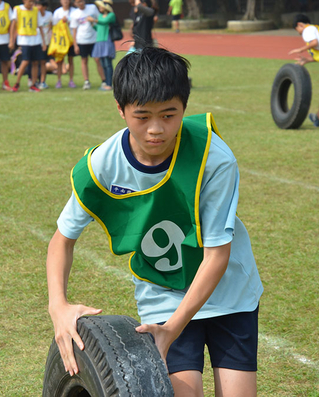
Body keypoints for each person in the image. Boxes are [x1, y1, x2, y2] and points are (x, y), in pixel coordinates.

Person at [46, 47, 263, 397]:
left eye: (169, 115)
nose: (156, 130)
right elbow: (62, 239)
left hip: (229, 292)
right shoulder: (102, 166)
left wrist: (173, 328)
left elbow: (217, 257)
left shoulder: (214, 157)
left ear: (184, 109)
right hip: (163, 294)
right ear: (120, 109)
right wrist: (58, 304)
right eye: (142, 116)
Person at [10, 0, 47, 92]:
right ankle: (17, 83)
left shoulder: (35, 11)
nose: (31, 4)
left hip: (35, 39)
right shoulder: (18, 9)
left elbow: (40, 26)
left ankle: (33, 84)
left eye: (32, 2)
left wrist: (43, 41)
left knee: (35, 62)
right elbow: (13, 25)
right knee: (25, 61)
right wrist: (12, 40)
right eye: (29, 1)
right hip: (24, 40)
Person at [70, 0, 101, 90]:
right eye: (78, 2)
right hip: (82, 40)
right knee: (84, 60)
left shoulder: (92, 8)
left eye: (82, 1)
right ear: (75, 4)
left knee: (97, 60)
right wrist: (75, 45)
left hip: (94, 39)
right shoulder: (75, 14)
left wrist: (93, 20)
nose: (81, 3)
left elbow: (100, 19)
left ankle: (104, 80)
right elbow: (74, 30)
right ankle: (86, 81)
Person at [52, 0, 76, 88]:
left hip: (71, 39)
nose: (65, 1)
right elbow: (54, 25)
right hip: (61, 41)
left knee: (71, 60)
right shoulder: (57, 12)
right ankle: (58, 80)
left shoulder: (74, 11)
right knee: (59, 61)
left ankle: (71, 80)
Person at [90, 0, 114, 91]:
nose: (99, 8)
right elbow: (98, 27)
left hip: (106, 41)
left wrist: (94, 20)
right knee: (103, 63)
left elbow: (104, 22)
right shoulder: (100, 16)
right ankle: (106, 83)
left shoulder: (111, 15)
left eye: (101, 6)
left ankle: (109, 84)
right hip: (99, 41)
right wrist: (92, 24)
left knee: (108, 63)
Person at [35, 0, 52, 89]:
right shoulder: (33, 14)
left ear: (44, 7)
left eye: (39, 5)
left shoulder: (49, 15)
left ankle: (42, 81)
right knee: (34, 62)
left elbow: (51, 25)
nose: (38, 7)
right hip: (35, 42)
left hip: (45, 42)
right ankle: (33, 80)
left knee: (43, 62)